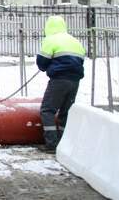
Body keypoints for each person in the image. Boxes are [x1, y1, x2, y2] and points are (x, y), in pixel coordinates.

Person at [36, 15, 85, 151]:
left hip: (59, 80)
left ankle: (51, 144)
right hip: (75, 81)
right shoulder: (75, 41)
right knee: (65, 112)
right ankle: (64, 143)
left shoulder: (50, 40)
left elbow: (42, 62)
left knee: (47, 110)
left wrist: (47, 66)